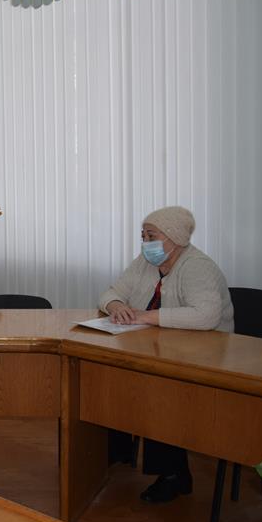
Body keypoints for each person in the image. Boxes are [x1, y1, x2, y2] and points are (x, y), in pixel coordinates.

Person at [98, 206, 234, 503]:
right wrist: (116, 306)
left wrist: (146, 316)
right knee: (108, 376)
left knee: (159, 391)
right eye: (143, 236)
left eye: (152, 236)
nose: (146, 242)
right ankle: (116, 450)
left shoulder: (198, 267)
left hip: (203, 357)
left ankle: (174, 475)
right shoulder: (146, 262)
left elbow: (206, 316)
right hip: (156, 348)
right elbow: (109, 293)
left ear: (175, 237)